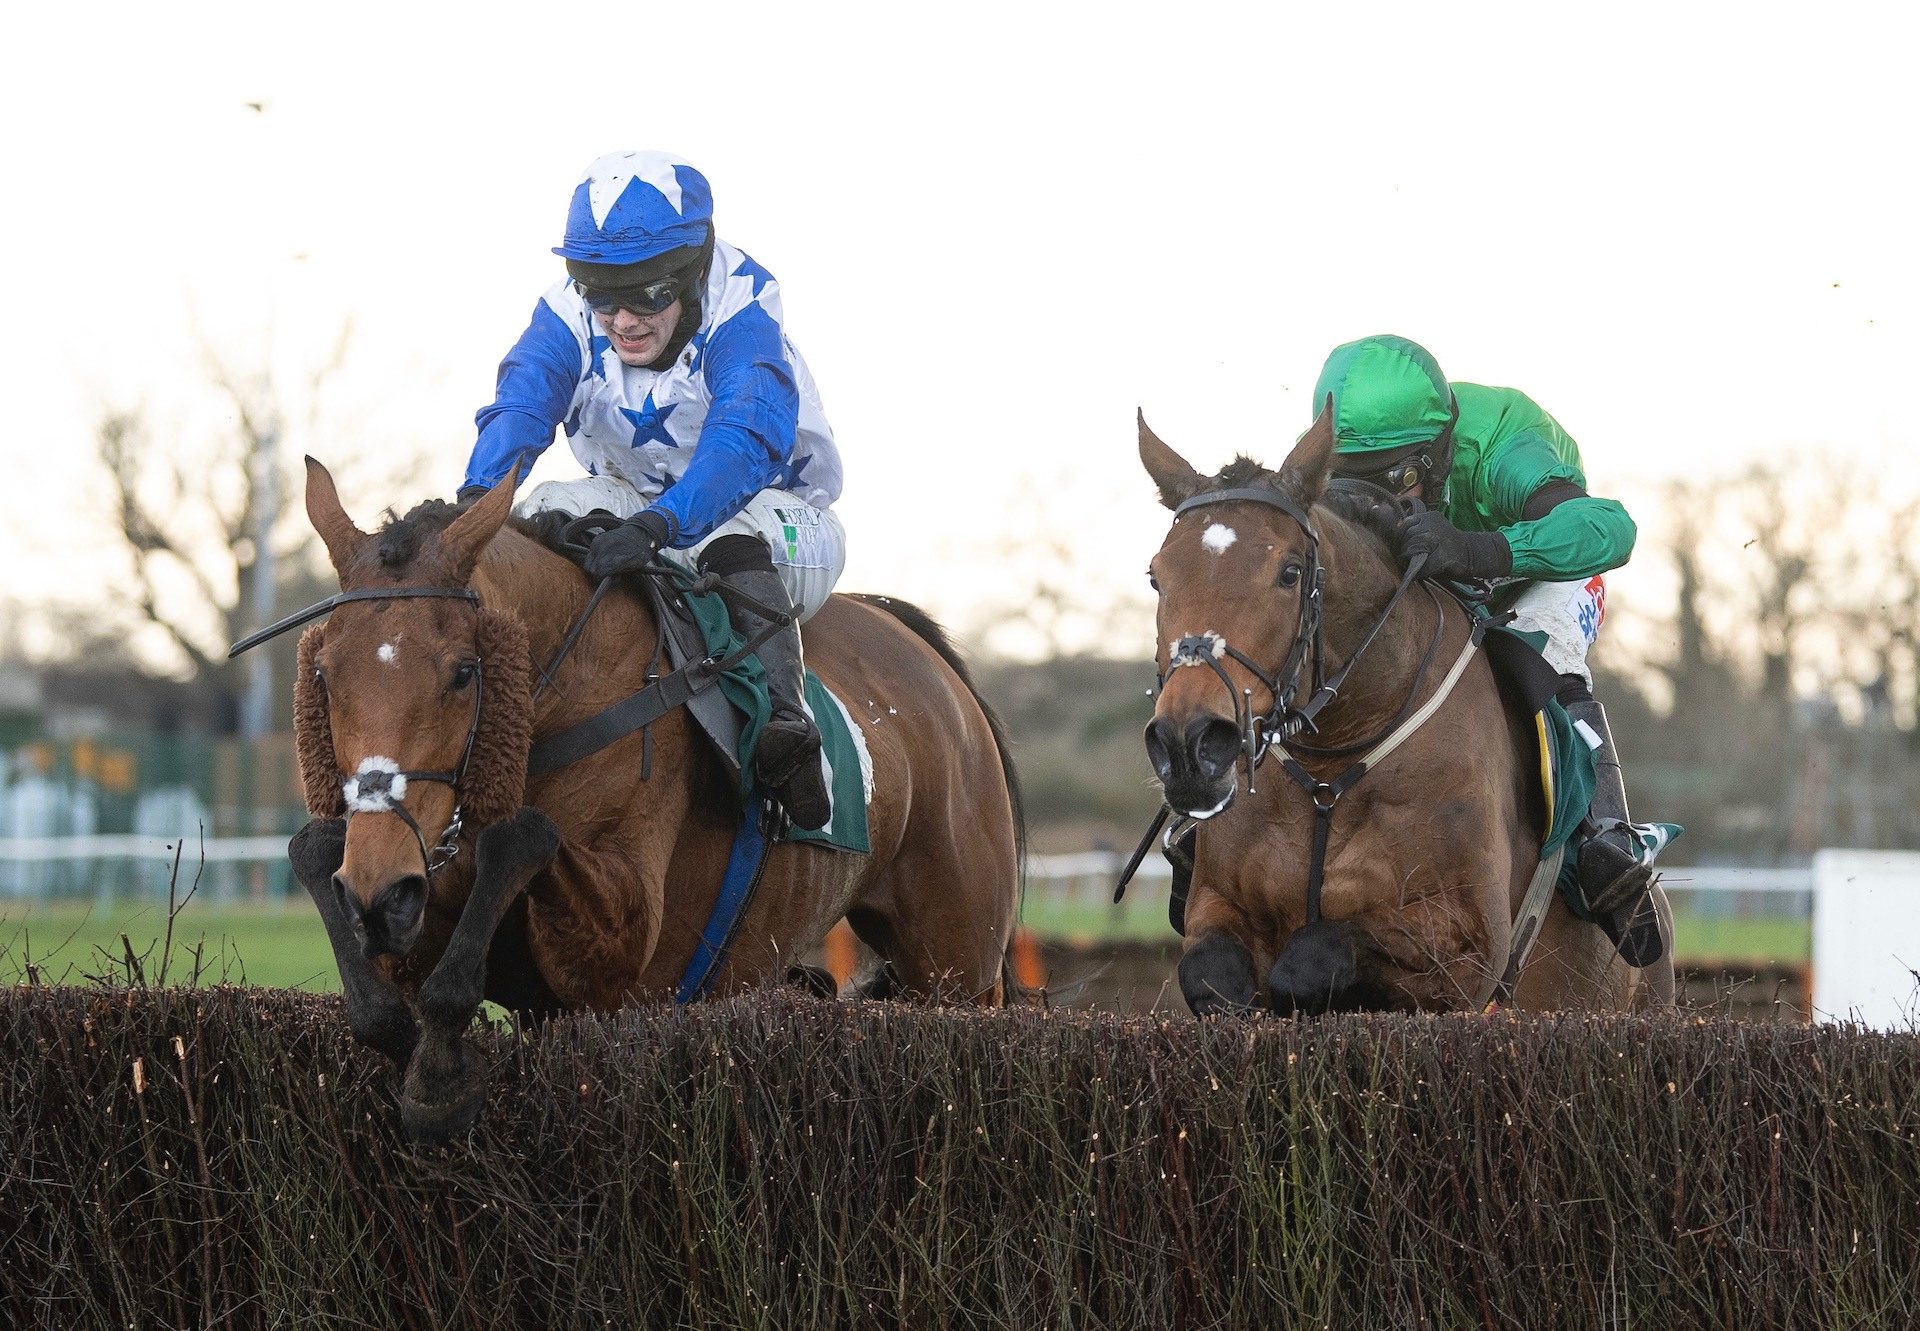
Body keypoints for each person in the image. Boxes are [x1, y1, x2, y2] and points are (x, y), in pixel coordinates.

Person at [459, 150, 845, 829]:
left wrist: (661, 527)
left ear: (695, 272)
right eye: (602, 294)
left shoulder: (743, 305)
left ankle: (791, 728)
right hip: (642, 506)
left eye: (648, 293)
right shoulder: (567, 313)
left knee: (730, 539)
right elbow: (521, 405)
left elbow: (742, 439)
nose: (624, 319)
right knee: (534, 516)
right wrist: (471, 506)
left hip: (779, 515)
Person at [1313, 333, 1668, 966]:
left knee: (1543, 646)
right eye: (1349, 485)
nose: (1376, 504)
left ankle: (1606, 841)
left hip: (1537, 571)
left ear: (1442, 448)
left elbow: (1611, 528)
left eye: (1398, 480)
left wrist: (1478, 551)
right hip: (1437, 563)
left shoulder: (1505, 444)